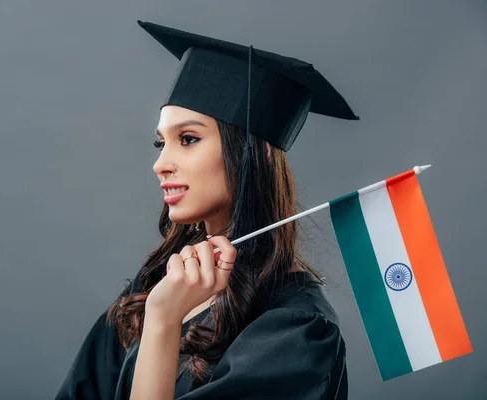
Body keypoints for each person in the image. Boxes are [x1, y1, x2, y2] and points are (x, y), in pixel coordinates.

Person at [54, 20, 358, 400]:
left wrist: (164, 322)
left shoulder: (295, 329)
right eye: (160, 143)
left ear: (252, 154)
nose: (160, 164)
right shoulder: (156, 284)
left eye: (188, 139)